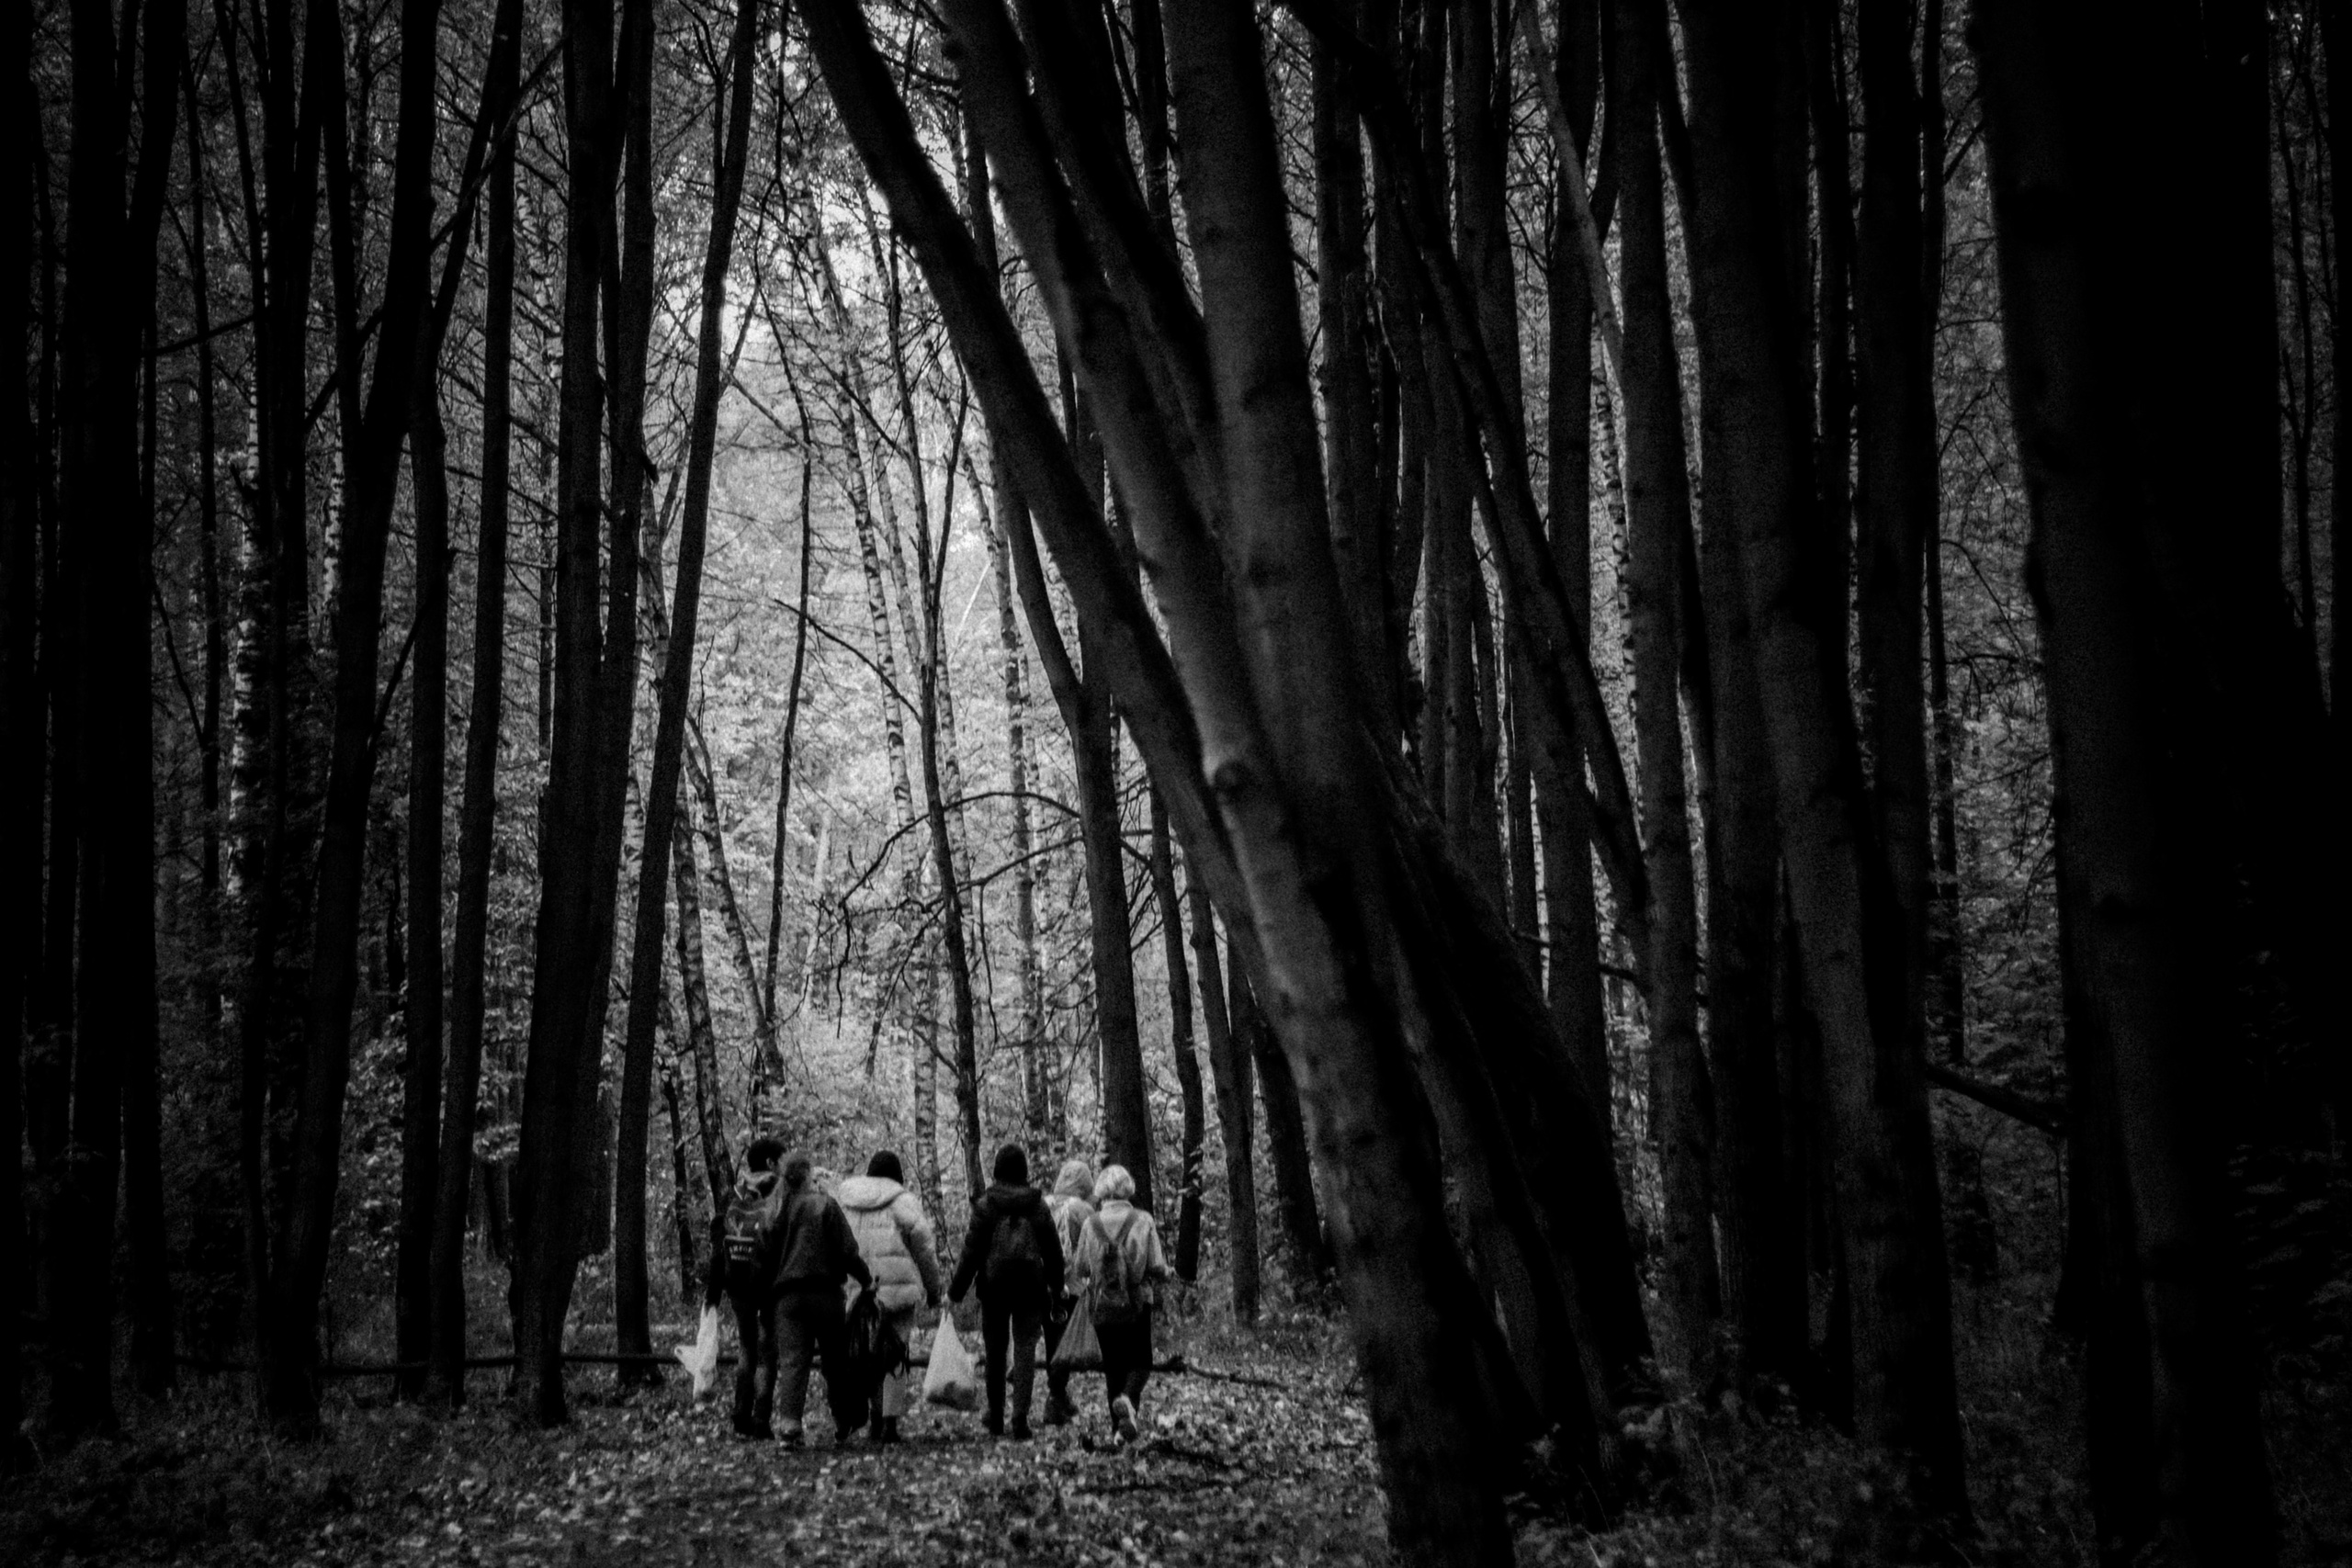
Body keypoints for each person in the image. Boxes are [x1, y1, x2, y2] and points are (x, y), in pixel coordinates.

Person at [947, 1143, 1063, 1438]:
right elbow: (1053, 1251)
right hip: (1030, 1288)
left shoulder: (986, 1206)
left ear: (997, 1169)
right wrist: (1058, 1286)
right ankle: (1020, 1418)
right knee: (1025, 1350)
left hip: (994, 1287)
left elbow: (971, 1252)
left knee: (995, 1352)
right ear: (1024, 1170)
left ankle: (996, 1418)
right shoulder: (1037, 1206)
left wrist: (956, 1292)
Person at [835, 1150, 944, 1444]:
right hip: (898, 1292)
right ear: (898, 1175)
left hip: (858, 1291)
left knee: (866, 1352)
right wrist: (934, 1291)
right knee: (895, 1355)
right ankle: (890, 1423)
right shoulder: (904, 1202)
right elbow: (924, 1250)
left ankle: (873, 1418)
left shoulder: (846, 1202)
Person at [770, 1148, 872, 1446]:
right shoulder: (825, 1206)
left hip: (787, 1298)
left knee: (792, 1361)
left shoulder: (775, 1210)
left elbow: (764, 1257)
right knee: (834, 1361)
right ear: (808, 1176)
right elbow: (847, 1251)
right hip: (825, 1295)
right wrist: (866, 1281)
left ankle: (789, 1425)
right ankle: (842, 1421)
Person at [1069, 1163, 1171, 1445]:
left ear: (1102, 1190)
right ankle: (1128, 1402)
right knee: (1140, 1361)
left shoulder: (1091, 1223)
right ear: (1128, 1189)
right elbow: (1155, 1265)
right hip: (1137, 1302)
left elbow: (1081, 1268)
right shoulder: (1143, 1220)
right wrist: (1166, 1273)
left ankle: (1118, 1431)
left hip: (1102, 1304)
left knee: (1113, 1367)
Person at [704, 1136, 791, 1438]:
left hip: (737, 1281)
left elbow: (721, 1239)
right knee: (768, 1352)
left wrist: (713, 1293)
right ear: (770, 1163)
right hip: (767, 1282)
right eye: (782, 1159)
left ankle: (740, 1411)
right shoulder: (777, 1193)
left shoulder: (737, 1192)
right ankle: (760, 1419)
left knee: (746, 1348)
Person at [1040, 1158, 1095, 1425]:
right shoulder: (1082, 1209)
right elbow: (1092, 1244)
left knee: (1052, 1338)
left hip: (1041, 1282)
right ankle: (1056, 1396)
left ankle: (1058, 1396)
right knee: (1063, 1341)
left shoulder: (1044, 1203)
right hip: (1070, 1284)